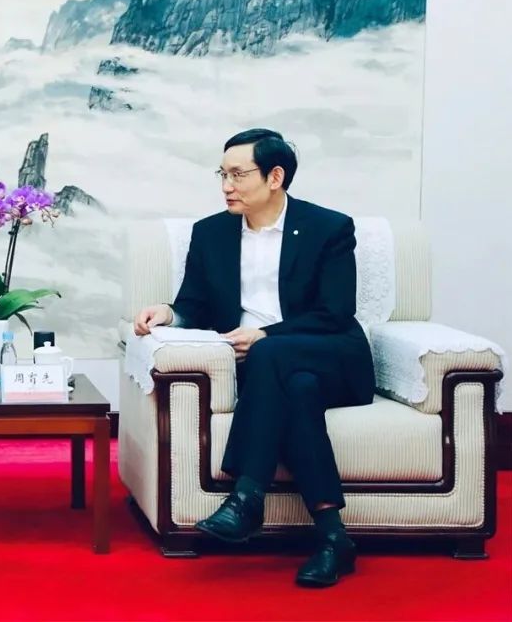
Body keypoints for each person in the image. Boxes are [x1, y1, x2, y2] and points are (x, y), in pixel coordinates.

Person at [134, 128, 374, 587]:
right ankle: (333, 538)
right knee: (298, 390)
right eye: (222, 174)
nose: (226, 185)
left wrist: (265, 335)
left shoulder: (329, 228)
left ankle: (247, 498)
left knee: (272, 354)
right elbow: (194, 304)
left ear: (274, 177)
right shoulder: (211, 233)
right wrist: (168, 312)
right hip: (272, 372)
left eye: (238, 174)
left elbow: (335, 313)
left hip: (331, 355)